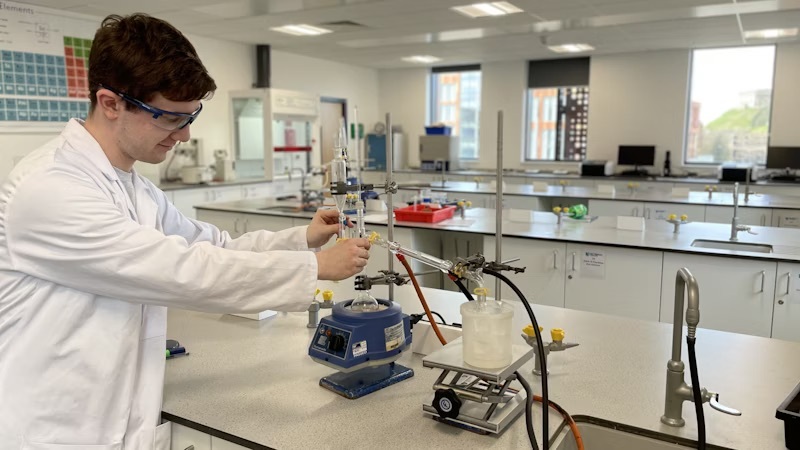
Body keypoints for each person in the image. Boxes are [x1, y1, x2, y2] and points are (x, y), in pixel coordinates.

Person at [0, 13, 370, 449]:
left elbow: (215, 246)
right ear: (111, 103)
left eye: (192, 115)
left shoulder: (135, 189)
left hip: (116, 415)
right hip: (54, 427)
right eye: (171, 117)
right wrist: (313, 269)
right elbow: (179, 270)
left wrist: (301, 239)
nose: (186, 134)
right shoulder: (51, 188)